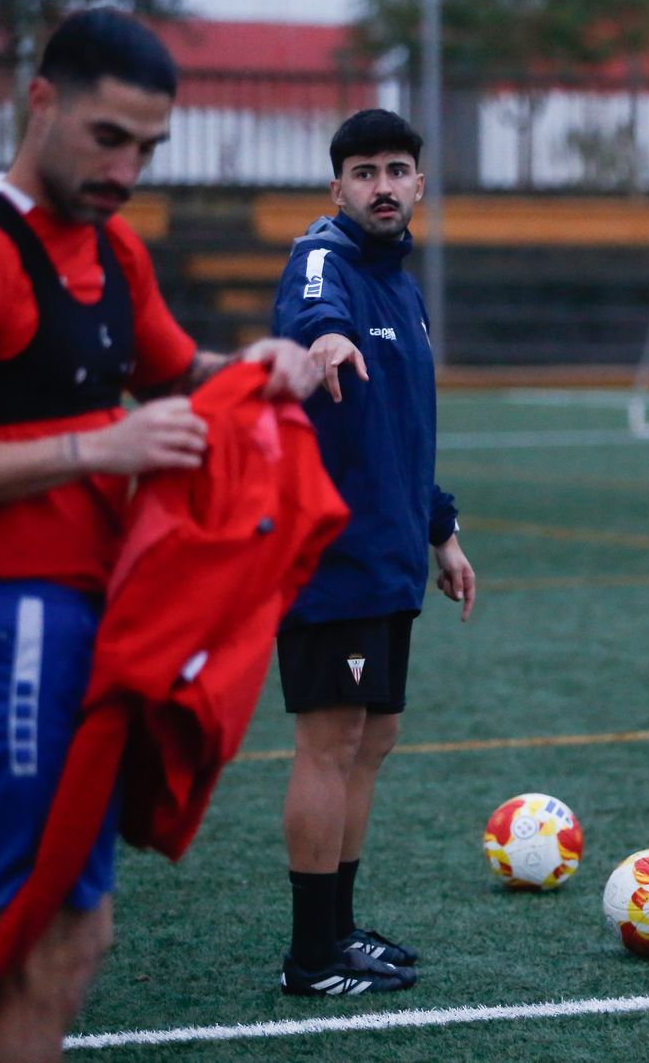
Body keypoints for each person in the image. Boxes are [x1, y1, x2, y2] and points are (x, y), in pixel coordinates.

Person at [0, 10, 319, 1060]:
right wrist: (93, 452)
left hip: (90, 623)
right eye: (108, 137)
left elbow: (178, 372)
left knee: (64, 936)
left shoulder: (113, 248)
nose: (127, 168)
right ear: (41, 101)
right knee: (56, 937)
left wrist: (267, 359)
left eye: (147, 148)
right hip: (3, 628)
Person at [272, 108, 475, 997]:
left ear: (420, 184)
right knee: (331, 740)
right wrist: (324, 333)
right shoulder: (327, 258)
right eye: (364, 172)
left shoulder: (401, 283)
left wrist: (442, 529)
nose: (383, 185)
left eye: (397, 169)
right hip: (332, 554)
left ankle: (340, 931)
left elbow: (406, 431)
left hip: (390, 550)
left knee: (373, 739)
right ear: (338, 189)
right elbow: (313, 304)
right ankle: (311, 957)